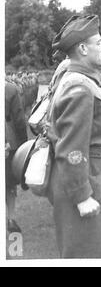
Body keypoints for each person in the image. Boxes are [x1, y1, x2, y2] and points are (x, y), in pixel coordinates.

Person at [47, 15, 101, 258]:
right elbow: (71, 150)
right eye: (99, 42)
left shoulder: (75, 80)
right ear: (83, 48)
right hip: (81, 182)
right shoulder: (80, 89)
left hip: (81, 178)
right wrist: (82, 196)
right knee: (83, 254)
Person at [5, 79, 28, 233]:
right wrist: (23, 142)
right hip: (8, 139)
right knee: (9, 183)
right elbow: (19, 119)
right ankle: (10, 218)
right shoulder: (10, 88)